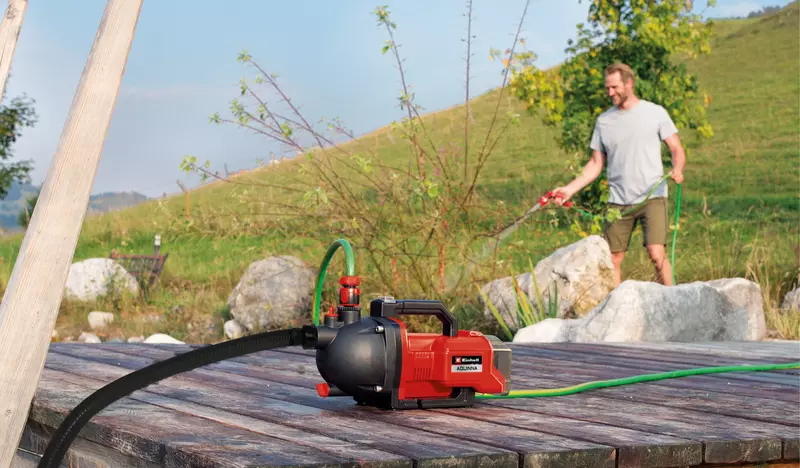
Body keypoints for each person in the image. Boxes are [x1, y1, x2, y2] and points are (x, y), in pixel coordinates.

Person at [551, 62, 685, 287]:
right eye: (607, 88)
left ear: (629, 83)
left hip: (652, 196)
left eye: (614, 87)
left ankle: (672, 297)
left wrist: (677, 168)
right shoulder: (604, 122)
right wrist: (568, 190)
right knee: (613, 259)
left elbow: (676, 148)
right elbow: (595, 164)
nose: (610, 92)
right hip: (618, 201)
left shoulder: (655, 113)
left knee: (656, 254)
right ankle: (615, 303)